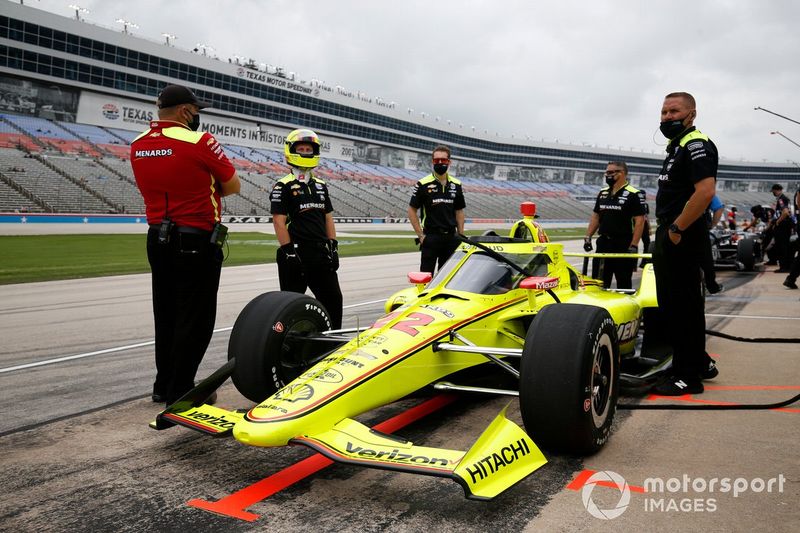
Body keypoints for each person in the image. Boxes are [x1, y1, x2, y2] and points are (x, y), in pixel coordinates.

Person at [130, 84, 241, 404]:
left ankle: (163, 383)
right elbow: (232, 185)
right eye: (195, 111)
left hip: (157, 236)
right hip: (195, 238)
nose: (197, 117)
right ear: (184, 111)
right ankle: (181, 390)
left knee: (165, 313)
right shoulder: (200, 140)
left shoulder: (138, 143)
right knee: (196, 316)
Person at [651, 92, 718, 395]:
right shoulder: (677, 147)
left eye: (674, 111)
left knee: (682, 307)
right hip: (672, 231)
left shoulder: (695, 144)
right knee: (674, 304)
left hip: (682, 232)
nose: (667, 117)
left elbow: (705, 192)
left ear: (691, 114)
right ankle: (698, 361)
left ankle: (687, 376)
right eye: (664, 112)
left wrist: (676, 229)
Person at [271, 128, 343, 329]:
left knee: (334, 301)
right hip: (296, 254)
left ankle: (333, 341)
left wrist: (333, 247)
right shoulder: (283, 185)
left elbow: (328, 217)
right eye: (300, 149)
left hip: (320, 253)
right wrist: (288, 253)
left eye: (308, 149)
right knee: (290, 307)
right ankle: (290, 341)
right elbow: (278, 221)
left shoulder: (321, 185)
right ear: (291, 151)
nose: (305, 152)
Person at [583, 161, 646, 290]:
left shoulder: (634, 194)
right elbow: (596, 216)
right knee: (598, 282)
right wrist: (588, 237)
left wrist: (634, 245)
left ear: (621, 173)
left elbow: (640, 221)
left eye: (610, 172)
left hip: (623, 244)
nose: (607, 175)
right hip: (603, 243)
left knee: (623, 283)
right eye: (606, 172)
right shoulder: (603, 193)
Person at [407, 145, 466, 274]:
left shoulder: (456, 184)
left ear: (449, 162)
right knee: (425, 277)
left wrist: (461, 235)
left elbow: (459, 211)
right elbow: (411, 210)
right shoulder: (422, 184)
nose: (439, 163)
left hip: (451, 238)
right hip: (431, 237)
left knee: (447, 277)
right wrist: (421, 236)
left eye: (443, 160)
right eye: (436, 160)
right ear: (432, 162)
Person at [699, 195, 724, 294]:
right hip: (699, 228)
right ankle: (711, 286)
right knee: (706, 258)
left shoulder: (674, 188)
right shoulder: (704, 190)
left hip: (675, 227)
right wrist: (712, 225)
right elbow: (719, 208)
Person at [769, 184, 793, 273]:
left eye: (773, 191)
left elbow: (785, 212)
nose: (773, 193)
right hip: (786, 225)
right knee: (785, 246)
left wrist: (778, 222)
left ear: (776, 190)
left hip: (783, 225)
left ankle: (783, 267)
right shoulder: (784, 198)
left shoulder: (781, 199)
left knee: (781, 246)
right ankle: (786, 266)